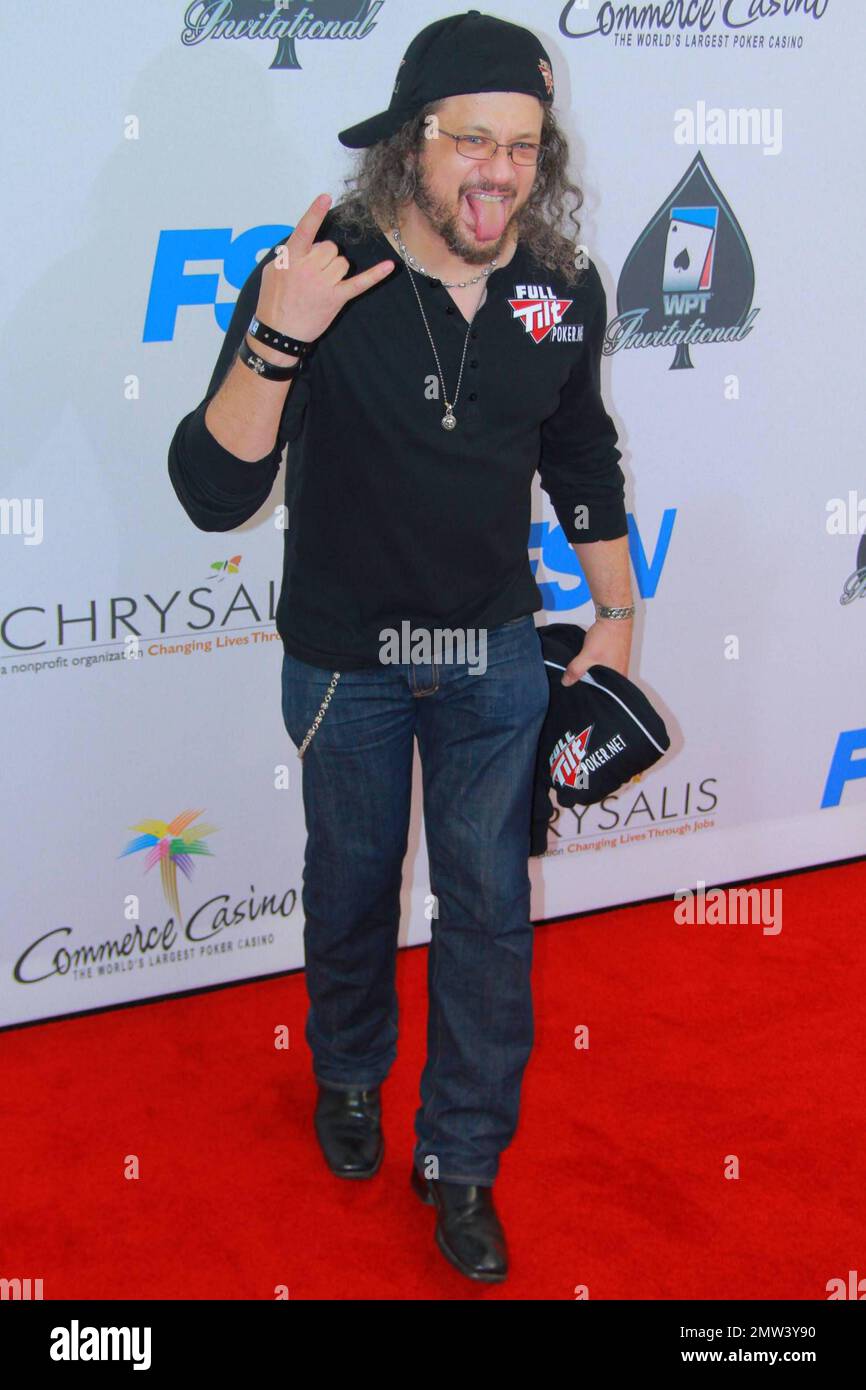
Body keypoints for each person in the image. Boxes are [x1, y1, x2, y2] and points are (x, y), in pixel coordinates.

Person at [168, 9, 635, 1284]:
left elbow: (578, 449)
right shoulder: (323, 266)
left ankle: (464, 1159)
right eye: (469, 139)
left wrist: (619, 608)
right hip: (345, 655)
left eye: (523, 146)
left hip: (489, 652)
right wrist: (279, 334)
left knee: (489, 909)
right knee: (352, 883)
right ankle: (350, 1075)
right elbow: (212, 490)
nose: (497, 170)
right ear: (408, 143)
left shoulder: (558, 285)